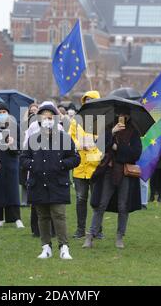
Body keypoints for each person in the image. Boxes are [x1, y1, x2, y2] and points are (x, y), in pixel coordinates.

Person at [21, 104, 80, 260]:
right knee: (42, 216)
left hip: (57, 183)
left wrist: (62, 164)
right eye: (44, 117)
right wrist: (33, 165)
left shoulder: (64, 138)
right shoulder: (33, 138)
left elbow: (75, 158)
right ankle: (46, 247)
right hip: (38, 182)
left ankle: (64, 247)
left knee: (59, 214)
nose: (47, 120)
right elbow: (24, 158)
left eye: (50, 117)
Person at [83, 113, 143, 250]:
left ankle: (120, 236)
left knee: (123, 206)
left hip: (125, 173)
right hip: (109, 171)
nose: (122, 117)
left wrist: (118, 148)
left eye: (125, 114)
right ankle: (90, 235)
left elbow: (136, 153)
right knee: (101, 204)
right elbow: (99, 146)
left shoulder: (133, 132)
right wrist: (112, 132)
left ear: (128, 116)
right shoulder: (109, 128)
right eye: (120, 114)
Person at [69, 91, 103, 239]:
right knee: (80, 199)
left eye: (91, 100)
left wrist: (93, 145)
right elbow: (70, 138)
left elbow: (104, 141)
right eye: (86, 100)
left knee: (97, 201)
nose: (88, 102)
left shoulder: (103, 120)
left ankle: (97, 230)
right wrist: (79, 144)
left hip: (96, 167)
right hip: (79, 166)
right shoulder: (76, 120)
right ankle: (80, 229)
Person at [0, 103, 24, 229]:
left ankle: (16, 218)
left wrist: (13, 144)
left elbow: (21, 145)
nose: (2, 114)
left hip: (11, 161)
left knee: (12, 190)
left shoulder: (14, 127)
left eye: (4, 112)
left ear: (8, 113)